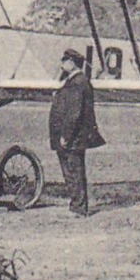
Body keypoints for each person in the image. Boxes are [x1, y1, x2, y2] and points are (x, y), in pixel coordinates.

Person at [48, 48, 106, 216]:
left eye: (65, 60)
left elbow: (74, 112)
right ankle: (76, 205)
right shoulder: (73, 81)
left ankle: (79, 208)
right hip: (71, 136)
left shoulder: (78, 82)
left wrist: (66, 135)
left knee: (74, 170)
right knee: (70, 170)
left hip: (73, 136)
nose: (62, 63)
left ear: (72, 63)